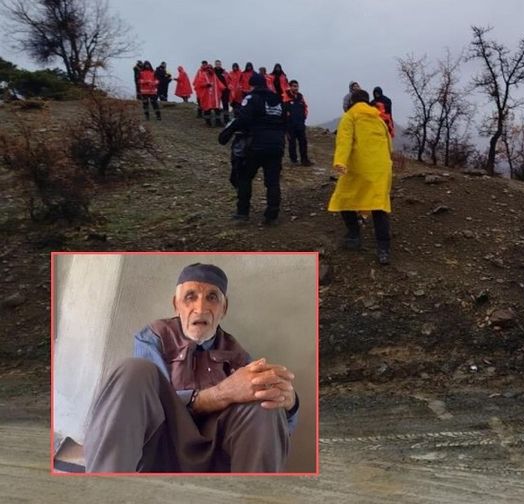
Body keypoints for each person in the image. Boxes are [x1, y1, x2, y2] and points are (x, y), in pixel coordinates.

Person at [83, 263, 299, 473]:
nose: (201, 308)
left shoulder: (237, 353)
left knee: (262, 400)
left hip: (215, 454)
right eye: (190, 297)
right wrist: (221, 394)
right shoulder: (154, 336)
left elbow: (275, 427)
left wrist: (288, 403)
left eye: (212, 298)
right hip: (161, 445)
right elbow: (150, 403)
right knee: (132, 370)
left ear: (224, 308)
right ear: (176, 304)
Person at [328, 89, 393, 265]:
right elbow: (389, 144)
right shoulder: (378, 118)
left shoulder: (350, 117)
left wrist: (340, 162)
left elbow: (344, 141)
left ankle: (354, 235)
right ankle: (383, 250)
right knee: (378, 206)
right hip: (380, 170)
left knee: (344, 199)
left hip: (359, 168)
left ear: (352, 102)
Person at [219, 73, 288, 224]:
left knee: (244, 178)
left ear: (252, 85)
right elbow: (285, 120)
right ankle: (272, 216)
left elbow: (243, 118)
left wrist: (226, 134)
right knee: (273, 182)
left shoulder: (251, 98)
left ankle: (242, 213)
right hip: (276, 145)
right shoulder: (278, 100)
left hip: (255, 144)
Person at [284, 80, 312, 166]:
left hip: (300, 123)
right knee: (292, 143)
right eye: (294, 86)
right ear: (290, 87)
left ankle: (304, 159)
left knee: (303, 142)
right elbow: (283, 110)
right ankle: (294, 160)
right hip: (290, 124)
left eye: (297, 86)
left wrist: (304, 117)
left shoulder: (300, 97)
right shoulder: (285, 97)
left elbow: (305, 107)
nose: (296, 88)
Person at [194, 61, 226, 126]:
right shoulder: (203, 75)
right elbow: (198, 84)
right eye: (209, 69)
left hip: (214, 96)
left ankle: (218, 122)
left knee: (217, 109)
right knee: (207, 109)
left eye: (211, 69)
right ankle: (208, 123)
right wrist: (206, 84)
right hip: (207, 96)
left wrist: (224, 88)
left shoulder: (214, 76)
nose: (210, 70)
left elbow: (219, 83)